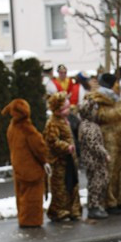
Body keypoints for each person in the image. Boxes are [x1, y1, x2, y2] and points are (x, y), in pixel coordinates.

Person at [88, 72, 121, 215]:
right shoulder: (97, 100)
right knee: (110, 172)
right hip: (108, 144)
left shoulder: (117, 100)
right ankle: (110, 202)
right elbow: (91, 121)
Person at [2, 98, 50, 228]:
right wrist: (45, 160)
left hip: (18, 167)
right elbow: (39, 147)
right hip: (32, 169)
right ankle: (31, 221)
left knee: (21, 196)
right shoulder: (27, 129)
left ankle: (23, 219)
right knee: (32, 197)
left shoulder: (12, 127)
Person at [44, 92, 82, 222]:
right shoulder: (52, 123)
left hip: (70, 159)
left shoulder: (67, 121)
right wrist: (66, 147)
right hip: (59, 161)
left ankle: (74, 210)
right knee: (60, 187)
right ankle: (58, 211)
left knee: (73, 184)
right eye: (65, 108)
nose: (68, 110)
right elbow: (52, 141)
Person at [77, 94, 110, 220]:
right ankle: (93, 207)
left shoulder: (90, 124)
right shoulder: (88, 127)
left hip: (95, 159)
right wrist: (104, 153)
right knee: (96, 182)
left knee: (101, 180)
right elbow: (94, 144)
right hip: (94, 160)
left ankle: (96, 205)